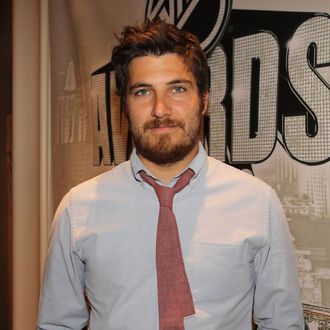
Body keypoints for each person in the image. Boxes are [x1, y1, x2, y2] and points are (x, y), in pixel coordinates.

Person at [37, 19, 304, 329]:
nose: (160, 109)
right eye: (142, 92)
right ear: (124, 104)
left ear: (204, 99)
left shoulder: (258, 203)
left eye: (177, 89)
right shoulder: (77, 209)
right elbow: (56, 324)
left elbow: (283, 323)